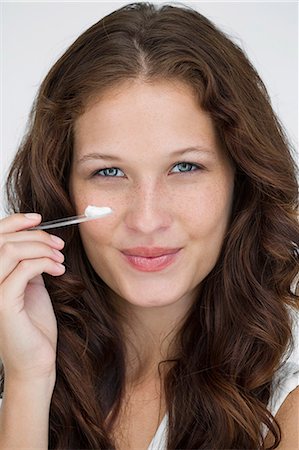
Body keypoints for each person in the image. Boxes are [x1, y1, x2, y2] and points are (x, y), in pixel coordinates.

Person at [0, 2, 298, 449]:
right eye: (109, 173)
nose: (146, 219)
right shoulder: (17, 348)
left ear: (242, 178)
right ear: (61, 188)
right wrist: (29, 379)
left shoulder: (287, 396)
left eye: (184, 167)